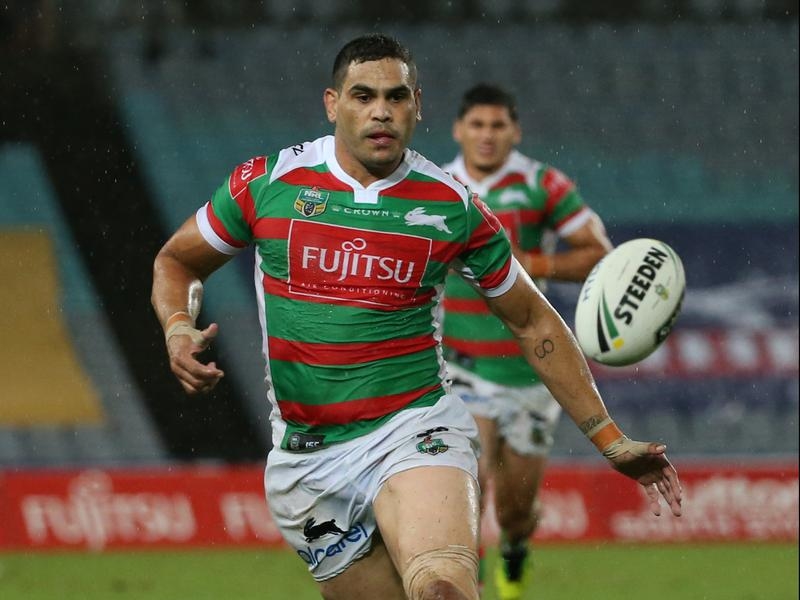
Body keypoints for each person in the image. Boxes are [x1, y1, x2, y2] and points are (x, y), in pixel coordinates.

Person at [151, 34, 682, 600]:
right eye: (363, 96)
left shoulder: (452, 205)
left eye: (396, 96)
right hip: (306, 460)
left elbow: (532, 320)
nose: (381, 111)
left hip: (414, 427)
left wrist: (610, 439)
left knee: (441, 590)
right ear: (332, 104)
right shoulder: (267, 184)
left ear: (417, 105)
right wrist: (178, 326)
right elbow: (178, 261)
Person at [441, 83, 614, 599]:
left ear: (514, 131)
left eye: (498, 125)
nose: (487, 135)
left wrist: (531, 263)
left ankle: (515, 550)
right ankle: (465, 586)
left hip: (530, 371)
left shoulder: (543, 184)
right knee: (466, 486)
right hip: (461, 365)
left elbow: (598, 253)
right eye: (477, 125)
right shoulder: (438, 186)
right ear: (458, 130)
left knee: (515, 510)